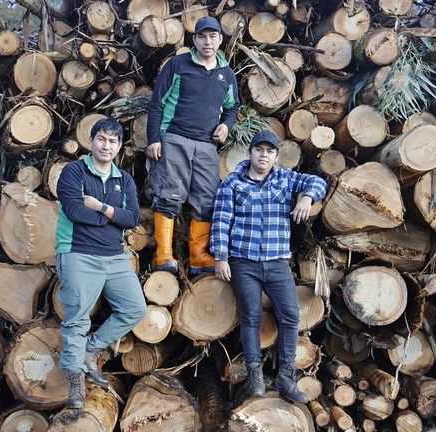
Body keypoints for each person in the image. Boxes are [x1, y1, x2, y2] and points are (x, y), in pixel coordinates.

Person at [210, 130, 328, 402]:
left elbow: (318, 181)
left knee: (290, 315)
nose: (264, 155)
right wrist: (220, 256)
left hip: (277, 262)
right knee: (250, 316)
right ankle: (255, 377)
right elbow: (221, 221)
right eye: (259, 150)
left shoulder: (284, 178)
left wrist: (307, 197)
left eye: (270, 151)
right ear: (250, 152)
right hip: (244, 262)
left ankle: (286, 377)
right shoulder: (233, 184)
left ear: (275, 156)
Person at [55, 117, 147, 409]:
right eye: (102, 140)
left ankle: (89, 350)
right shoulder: (74, 172)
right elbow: (73, 210)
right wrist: (111, 218)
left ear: (119, 146)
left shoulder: (124, 179)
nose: (107, 146)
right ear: (91, 141)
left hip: (115, 257)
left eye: (113, 141)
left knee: (135, 307)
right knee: (77, 319)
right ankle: (75, 386)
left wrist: (100, 207)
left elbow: (132, 218)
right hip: (78, 253)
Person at [146, 15, 240, 276]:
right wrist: (154, 138)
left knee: (207, 198)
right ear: (194, 39)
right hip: (175, 138)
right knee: (169, 193)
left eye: (213, 36)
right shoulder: (178, 65)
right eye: (202, 36)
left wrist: (226, 125)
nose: (207, 41)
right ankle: (163, 254)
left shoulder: (226, 74)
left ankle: (198, 256)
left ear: (220, 40)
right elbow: (157, 103)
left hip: (207, 146)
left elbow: (233, 107)